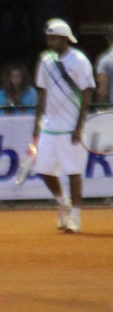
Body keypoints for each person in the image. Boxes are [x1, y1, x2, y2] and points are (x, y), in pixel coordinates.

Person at [31, 18, 96, 233]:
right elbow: (42, 92)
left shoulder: (80, 61)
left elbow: (87, 93)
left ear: (65, 39)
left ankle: (75, 217)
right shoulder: (45, 60)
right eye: (48, 38)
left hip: (71, 127)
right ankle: (63, 202)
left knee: (73, 172)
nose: (49, 42)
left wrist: (79, 126)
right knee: (43, 170)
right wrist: (37, 124)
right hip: (50, 126)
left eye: (54, 39)